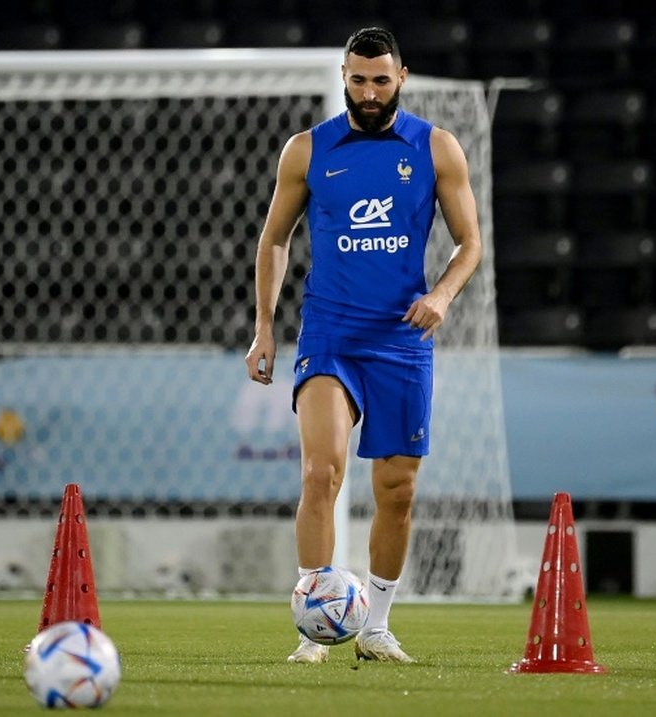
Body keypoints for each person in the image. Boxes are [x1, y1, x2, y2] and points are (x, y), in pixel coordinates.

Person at [244, 27, 483, 664]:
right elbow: (273, 239)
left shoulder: (436, 148)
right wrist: (265, 327)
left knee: (397, 491)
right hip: (330, 334)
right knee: (320, 474)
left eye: (381, 80)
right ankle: (312, 632)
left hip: (402, 339)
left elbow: (470, 245)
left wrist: (442, 296)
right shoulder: (307, 150)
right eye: (358, 79)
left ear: (401, 77)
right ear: (343, 77)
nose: (369, 91)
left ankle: (375, 627)